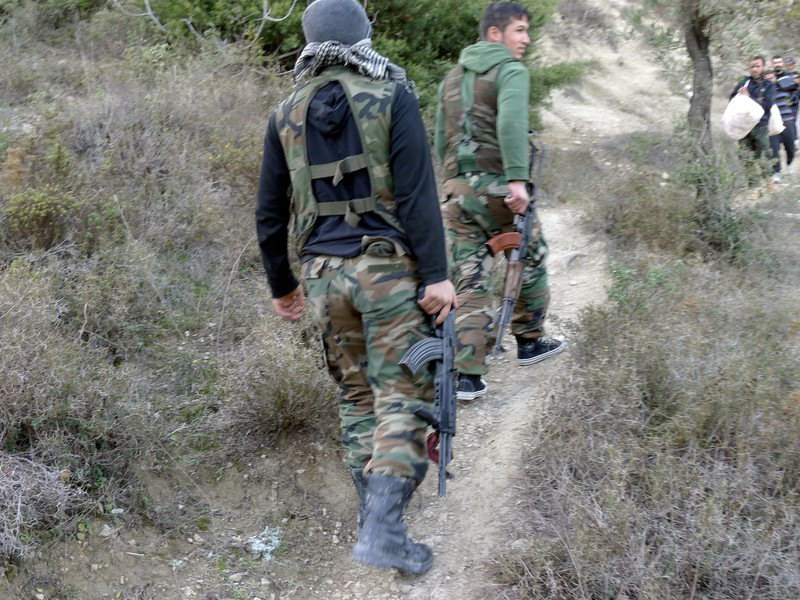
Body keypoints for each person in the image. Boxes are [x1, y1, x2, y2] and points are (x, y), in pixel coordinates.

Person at [255, 0, 457, 575]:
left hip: (323, 279)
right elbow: (417, 195)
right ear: (362, 36)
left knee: (357, 397)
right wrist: (438, 276)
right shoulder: (393, 95)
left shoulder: (285, 114)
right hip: (387, 275)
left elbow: (269, 212)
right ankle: (385, 531)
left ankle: (376, 522)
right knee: (402, 395)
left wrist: (282, 285)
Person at [434, 1, 565, 401]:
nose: (527, 39)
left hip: (456, 193)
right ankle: (530, 340)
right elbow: (510, 123)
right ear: (495, 33)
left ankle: (467, 375)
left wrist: (455, 182)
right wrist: (517, 181)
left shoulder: (451, 77)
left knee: (470, 277)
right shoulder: (511, 70)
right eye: (519, 30)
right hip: (499, 191)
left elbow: (440, 140)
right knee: (530, 254)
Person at [731, 56, 776, 185]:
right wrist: (739, 96)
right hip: (744, 126)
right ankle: (754, 187)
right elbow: (732, 100)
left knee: (764, 154)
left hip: (760, 125)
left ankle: (769, 181)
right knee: (746, 156)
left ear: (763, 67)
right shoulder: (744, 82)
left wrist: (748, 98)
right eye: (752, 66)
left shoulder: (768, 85)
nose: (755, 69)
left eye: (757, 66)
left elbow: (768, 104)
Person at [769, 56, 798, 182]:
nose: (777, 64)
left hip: (788, 120)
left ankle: (790, 166)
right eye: (775, 63)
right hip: (773, 122)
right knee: (774, 150)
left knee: (790, 148)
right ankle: (777, 173)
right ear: (772, 64)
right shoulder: (768, 80)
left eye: (779, 62)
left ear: (783, 64)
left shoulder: (790, 77)